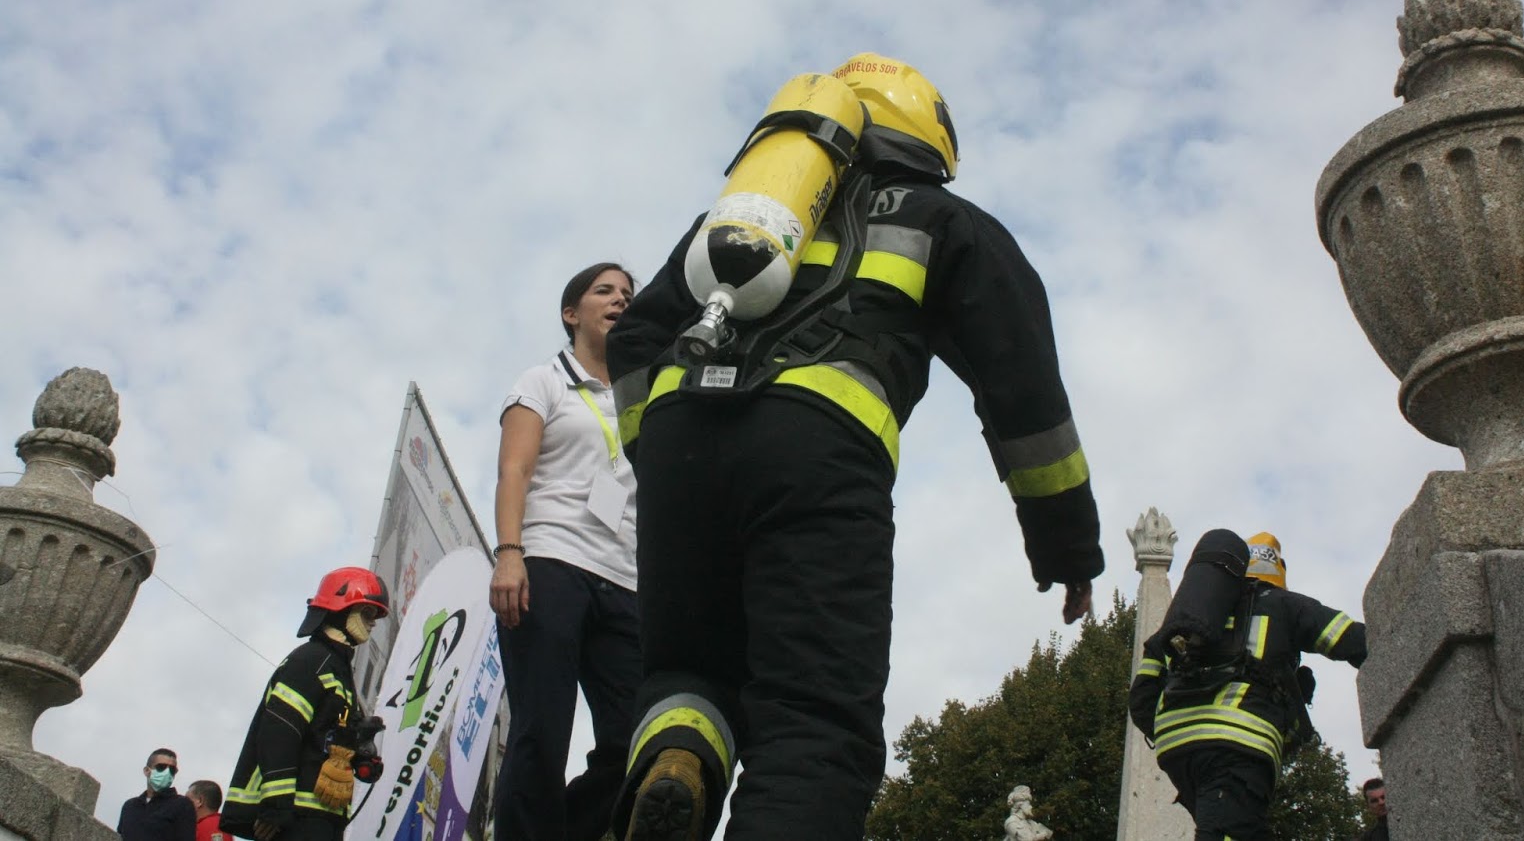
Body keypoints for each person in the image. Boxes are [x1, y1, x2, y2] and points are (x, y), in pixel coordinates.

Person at [607, 54, 1104, 841]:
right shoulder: (945, 220)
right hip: (818, 449)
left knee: (686, 670)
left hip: (680, 444)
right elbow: (1022, 389)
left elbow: (635, 336)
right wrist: (1066, 546)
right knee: (815, 718)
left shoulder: (740, 221)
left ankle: (681, 756)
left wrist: (661, 456)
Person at [489, 262, 643, 841]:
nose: (620, 300)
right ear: (571, 313)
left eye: (628, 294)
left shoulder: (642, 395)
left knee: (638, 742)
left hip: (624, 580)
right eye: (605, 291)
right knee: (541, 733)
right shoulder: (543, 380)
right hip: (550, 563)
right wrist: (510, 552)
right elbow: (515, 470)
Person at [1129, 531, 1367, 841]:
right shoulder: (1284, 604)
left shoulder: (1181, 625)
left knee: (1237, 826)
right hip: (1236, 744)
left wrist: (1178, 726)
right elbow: (1348, 638)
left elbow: (1141, 700)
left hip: (1176, 749)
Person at [219, 567, 389, 841]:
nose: (372, 624)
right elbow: (280, 731)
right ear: (341, 608)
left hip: (326, 815)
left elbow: (324, 736)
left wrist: (360, 753)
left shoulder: (339, 670)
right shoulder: (310, 661)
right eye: (368, 613)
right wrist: (276, 805)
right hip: (296, 817)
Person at [118, 748, 196, 841]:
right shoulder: (130, 806)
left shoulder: (182, 805)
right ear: (147, 771)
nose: (167, 773)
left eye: (172, 770)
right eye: (161, 767)